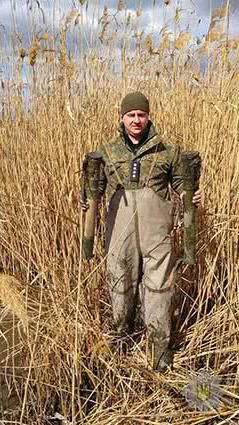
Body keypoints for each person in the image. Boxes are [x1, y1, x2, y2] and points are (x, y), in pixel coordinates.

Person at [81, 92, 202, 371]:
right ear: (122, 118)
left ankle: (160, 350)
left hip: (157, 233)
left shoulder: (167, 152)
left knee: (159, 288)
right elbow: (92, 193)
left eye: (141, 115)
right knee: (119, 285)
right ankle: (120, 342)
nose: (136, 120)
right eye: (131, 115)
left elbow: (185, 189)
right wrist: (84, 201)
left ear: (148, 117)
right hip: (119, 233)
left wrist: (193, 198)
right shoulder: (107, 152)